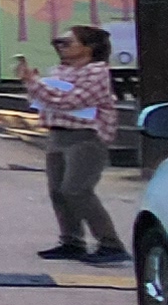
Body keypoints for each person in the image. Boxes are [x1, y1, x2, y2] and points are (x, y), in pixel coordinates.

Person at [24, 23, 128, 265]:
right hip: (58, 134)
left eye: (68, 42)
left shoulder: (97, 72)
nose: (61, 47)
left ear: (89, 47)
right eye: (58, 42)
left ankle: (111, 243)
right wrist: (36, 86)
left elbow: (72, 100)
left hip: (85, 137)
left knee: (77, 189)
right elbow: (43, 100)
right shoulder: (61, 71)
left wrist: (36, 84)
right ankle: (71, 241)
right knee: (58, 191)